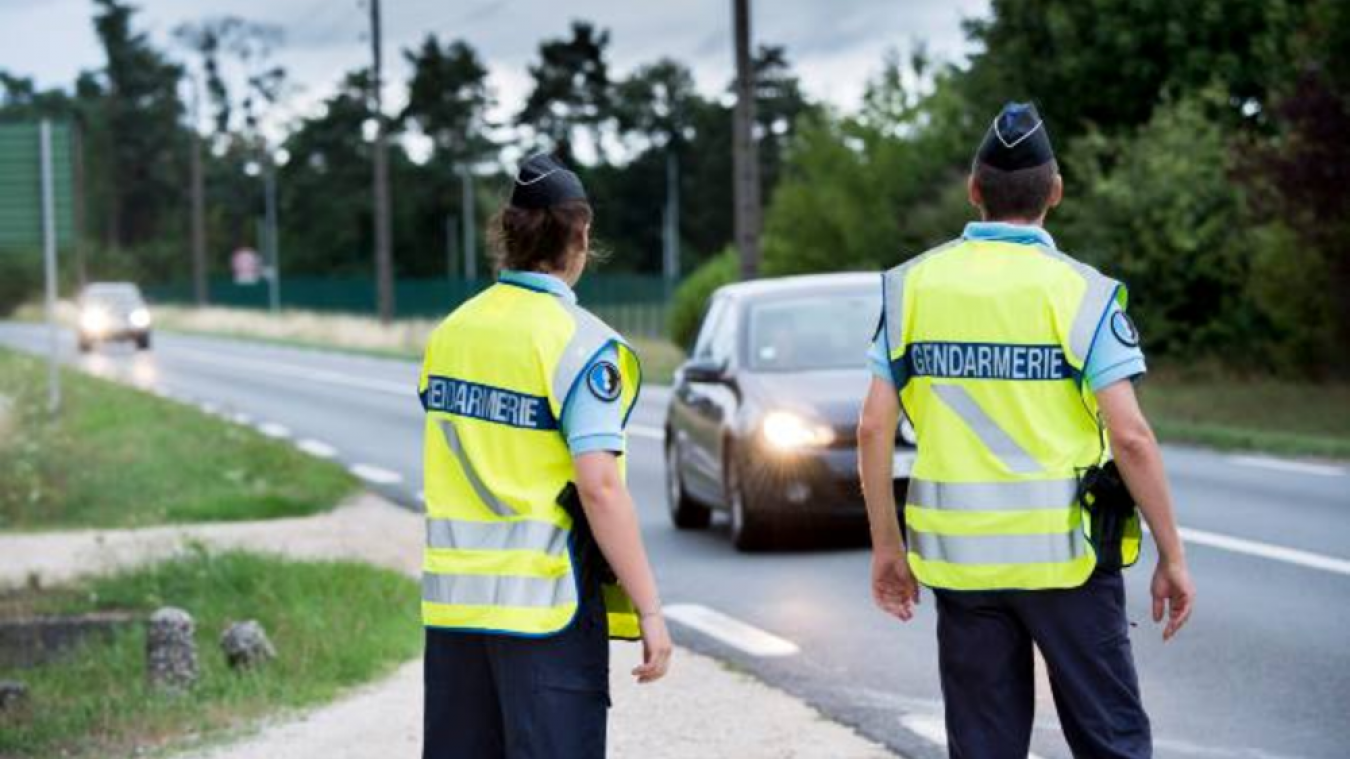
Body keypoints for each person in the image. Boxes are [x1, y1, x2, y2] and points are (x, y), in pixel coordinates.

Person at [857, 102, 1196, 758]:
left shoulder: (911, 288)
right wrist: (1171, 554)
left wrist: (887, 548)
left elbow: (874, 426)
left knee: (984, 746)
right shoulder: (1083, 293)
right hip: (1068, 559)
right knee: (1110, 740)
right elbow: (1131, 437)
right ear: (1057, 192)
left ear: (974, 190)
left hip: (963, 564)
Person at [418, 153, 672, 759]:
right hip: (544, 608)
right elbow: (599, 487)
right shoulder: (583, 345)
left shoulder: (452, 331)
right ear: (581, 237)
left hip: (455, 611)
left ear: (507, 234)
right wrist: (651, 610)